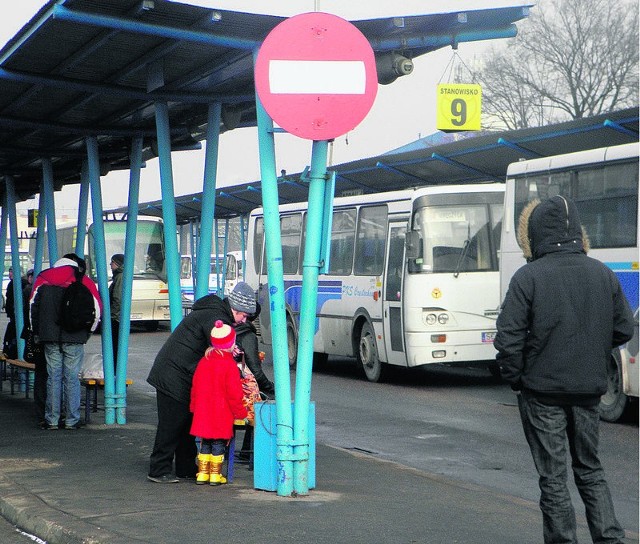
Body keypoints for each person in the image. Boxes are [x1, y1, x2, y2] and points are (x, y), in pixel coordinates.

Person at [495, 196, 634, 544]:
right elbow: (623, 329)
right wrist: (594, 354)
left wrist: (517, 379)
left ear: (536, 233)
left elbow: (508, 339)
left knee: (553, 478)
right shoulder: (602, 273)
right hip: (589, 392)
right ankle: (610, 539)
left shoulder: (528, 277)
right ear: (578, 232)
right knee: (590, 470)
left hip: (541, 393)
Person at [146, 281, 258, 483]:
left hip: (175, 372)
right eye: (244, 315)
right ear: (235, 308)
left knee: (185, 423)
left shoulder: (212, 313)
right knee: (171, 426)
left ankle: (186, 467)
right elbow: (218, 352)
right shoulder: (216, 318)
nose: (244, 320)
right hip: (173, 376)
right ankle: (158, 469)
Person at [30, 253, 102, 430]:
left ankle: (52, 420)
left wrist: (37, 332)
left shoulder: (43, 278)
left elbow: (32, 307)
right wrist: (88, 332)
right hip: (75, 336)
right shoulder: (83, 280)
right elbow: (97, 310)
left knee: (53, 377)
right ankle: (72, 420)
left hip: (50, 337)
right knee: (72, 378)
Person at [190, 320, 248, 485]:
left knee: (205, 441)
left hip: (203, 411)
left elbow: (195, 387)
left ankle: (202, 473)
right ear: (230, 344)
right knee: (218, 443)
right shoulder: (229, 365)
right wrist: (240, 413)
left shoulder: (204, 361)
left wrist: (194, 407)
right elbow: (234, 394)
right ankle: (215, 475)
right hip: (221, 413)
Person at [233, 302, 275, 461]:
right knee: (262, 402)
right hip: (239, 396)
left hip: (220, 395)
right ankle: (251, 451)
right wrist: (270, 388)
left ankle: (244, 451)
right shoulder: (248, 336)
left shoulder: (226, 329)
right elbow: (255, 371)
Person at [21, 269, 47, 425]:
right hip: (48, 339)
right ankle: (49, 410)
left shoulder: (32, 292)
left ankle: (42, 410)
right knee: (50, 376)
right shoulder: (39, 292)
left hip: (38, 338)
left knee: (41, 375)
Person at [3, 267, 28, 360]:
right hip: (16, 313)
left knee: (15, 333)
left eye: (12, 272)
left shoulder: (15, 283)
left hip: (16, 314)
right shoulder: (23, 283)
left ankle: (15, 353)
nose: (10, 274)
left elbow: (10, 299)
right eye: (9, 272)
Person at [109, 253, 125, 372]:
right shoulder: (120, 276)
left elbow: (117, 298)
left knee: (114, 347)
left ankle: (114, 373)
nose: (110, 264)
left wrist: (112, 315)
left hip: (116, 318)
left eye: (112, 262)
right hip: (118, 317)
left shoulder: (119, 277)